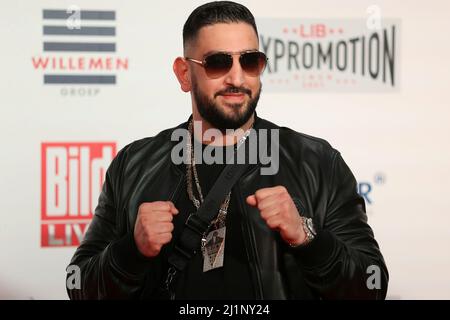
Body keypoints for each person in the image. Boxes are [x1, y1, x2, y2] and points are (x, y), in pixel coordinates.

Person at [66, 1, 388, 300]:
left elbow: (372, 285)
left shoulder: (317, 162)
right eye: (217, 62)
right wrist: (131, 252)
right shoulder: (133, 165)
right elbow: (77, 285)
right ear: (184, 74)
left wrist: (307, 238)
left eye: (250, 61)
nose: (237, 77)